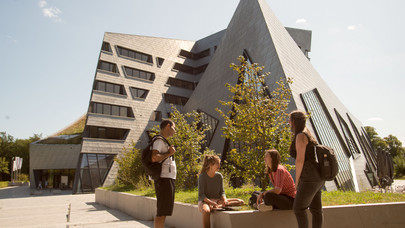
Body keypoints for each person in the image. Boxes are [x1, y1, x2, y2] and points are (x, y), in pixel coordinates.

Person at [289, 110, 325, 228]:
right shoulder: (307, 132)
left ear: (294, 121)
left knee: (298, 209)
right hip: (318, 175)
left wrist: (297, 180)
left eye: (290, 120)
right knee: (316, 210)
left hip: (309, 176)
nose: (289, 123)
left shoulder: (300, 136)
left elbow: (300, 160)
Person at [198, 155, 244, 228]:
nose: (219, 165)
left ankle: (220, 205)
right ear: (211, 165)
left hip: (217, 200)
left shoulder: (219, 176)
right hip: (205, 201)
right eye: (217, 163)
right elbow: (202, 195)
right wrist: (211, 202)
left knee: (240, 201)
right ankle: (217, 206)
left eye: (219, 163)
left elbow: (222, 192)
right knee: (206, 211)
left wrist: (225, 200)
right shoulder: (202, 177)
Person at [151, 119, 177, 228]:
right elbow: (154, 157)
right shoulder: (159, 141)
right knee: (162, 211)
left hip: (167, 178)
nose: (175, 131)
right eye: (174, 128)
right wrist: (169, 153)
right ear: (168, 126)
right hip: (164, 178)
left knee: (164, 210)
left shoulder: (163, 141)